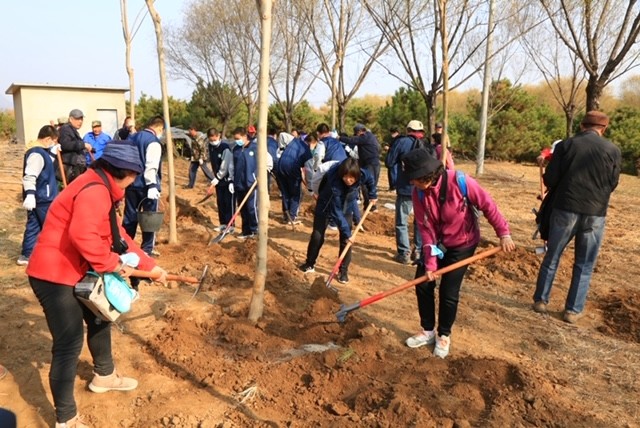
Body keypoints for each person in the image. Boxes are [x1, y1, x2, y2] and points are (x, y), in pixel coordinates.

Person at [26, 141, 168, 428]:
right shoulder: (95, 192)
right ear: (125, 173)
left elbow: (119, 235)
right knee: (68, 344)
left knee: (100, 316)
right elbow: (83, 236)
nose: (133, 183)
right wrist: (115, 266)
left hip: (74, 269)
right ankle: (66, 419)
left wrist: (148, 266)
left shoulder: (98, 185)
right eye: (133, 178)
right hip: (53, 274)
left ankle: (104, 376)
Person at [401, 148, 515, 358]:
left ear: (424, 176)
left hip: (463, 244)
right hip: (437, 243)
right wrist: (431, 265)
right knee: (423, 283)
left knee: (449, 291)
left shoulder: (461, 181)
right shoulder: (418, 193)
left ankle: (444, 334)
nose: (411, 183)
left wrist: (504, 233)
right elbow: (424, 228)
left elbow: (488, 206)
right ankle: (427, 330)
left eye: (413, 179)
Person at [533, 111, 621, 323]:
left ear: (582, 125)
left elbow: (551, 179)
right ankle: (572, 310)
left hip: (565, 209)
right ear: (604, 129)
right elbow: (613, 183)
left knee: (552, 256)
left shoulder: (566, 145)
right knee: (584, 263)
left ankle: (541, 301)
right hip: (595, 213)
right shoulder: (613, 150)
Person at [299, 157, 377, 284]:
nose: (348, 180)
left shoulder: (362, 174)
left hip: (347, 204)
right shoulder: (334, 181)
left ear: (357, 175)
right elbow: (336, 212)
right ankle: (309, 263)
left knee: (346, 241)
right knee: (317, 235)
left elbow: (370, 180)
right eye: (345, 177)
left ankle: (343, 271)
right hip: (326, 203)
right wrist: (347, 232)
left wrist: (373, 195)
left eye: (351, 177)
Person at [386, 120, 435, 264]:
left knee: (402, 221)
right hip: (425, 188)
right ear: (422, 131)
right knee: (421, 221)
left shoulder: (401, 142)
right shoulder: (427, 145)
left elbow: (389, 162)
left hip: (406, 187)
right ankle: (419, 252)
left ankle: (404, 253)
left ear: (408, 130)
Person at [18, 125, 60, 266]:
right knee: (50, 226)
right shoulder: (36, 153)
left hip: (40, 196)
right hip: (42, 198)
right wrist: (30, 194)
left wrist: (53, 154)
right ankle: (51, 254)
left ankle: (27, 254)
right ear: (47, 138)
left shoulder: (41, 152)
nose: (53, 143)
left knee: (33, 226)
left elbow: (45, 169)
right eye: (53, 141)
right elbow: (30, 175)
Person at [123, 115, 164, 258]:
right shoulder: (154, 142)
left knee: (130, 216)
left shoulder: (133, 137)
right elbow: (151, 166)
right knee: (150, 217)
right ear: (159, 128)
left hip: (130, 183)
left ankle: (124, 246)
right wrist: (152, 184)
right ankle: (147, 249)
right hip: (147, 186)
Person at [231, 127, 272, 239]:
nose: (236, 141)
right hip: (239, 184)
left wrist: (260, 176)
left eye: (238, 138)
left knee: (251, 208)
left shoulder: (256, 148)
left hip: (251, 184)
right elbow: (232, 166)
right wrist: (232, 180)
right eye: (235, 139)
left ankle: (255, 230)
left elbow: (268, 162)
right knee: (242, 208)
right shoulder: (236, 149)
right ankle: (246, 231)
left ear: (245, 136)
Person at [339, 123, 381, 212]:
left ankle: (371, 206)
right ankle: (369, 205)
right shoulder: (370, 136)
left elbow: (352, 140)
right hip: (373, 163)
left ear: (359, 131)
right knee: (370, 184)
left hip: (370, 163)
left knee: (366, 183)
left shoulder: (366, 136)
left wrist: (339, 138)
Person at [276, 133, 313, 224]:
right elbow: (309, 170)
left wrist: (281, 148)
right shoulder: (306, 150)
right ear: (311, 142)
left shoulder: (294, 141)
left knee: (285, 192)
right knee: (296, 193)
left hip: (280, 166)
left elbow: (282, 134)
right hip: (292, 169)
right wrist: (310, 185)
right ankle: (292, 217)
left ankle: (286, 215)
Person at [206, 128, 235, 231]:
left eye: (214, 139)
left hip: (227, 179)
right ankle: (223, 223)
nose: (213, 142)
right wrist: (216, 178)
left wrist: (218, 178)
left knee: (228, 203)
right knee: (220, 202)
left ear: (218, 136)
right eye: (211, 140)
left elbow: (225, 166)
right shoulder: (211, 146)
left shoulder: (225, 148)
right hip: (218, 179)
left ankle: (230, 225)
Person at [59, 109, 92, 183]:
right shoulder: (65, 129)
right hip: (72, 167)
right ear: (71, 119)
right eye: (77, 119)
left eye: (81, 119)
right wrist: (83, 145)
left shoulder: (73, 130)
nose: (80, 121)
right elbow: (65, 145)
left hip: (78, 166)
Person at [385, 127, 401, 191]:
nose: (392, 134)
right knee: (390, 173)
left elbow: (397, 150)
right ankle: (391, 186)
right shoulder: (393, 139)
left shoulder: (399, 139)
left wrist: (389, 149)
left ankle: (394, 187)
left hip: (395, 159)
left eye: (393, 132)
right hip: (391, 158)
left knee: (394, 173)